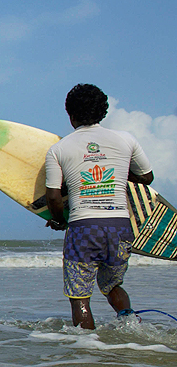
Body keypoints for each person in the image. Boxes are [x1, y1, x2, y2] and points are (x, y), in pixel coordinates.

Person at [44, 84, 154, 329]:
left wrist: (60, 220)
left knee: (80, 297)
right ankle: (130, 324)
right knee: (112, 285)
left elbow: (53, 196)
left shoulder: (59, 149)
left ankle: (88, 351)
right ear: (103, 112)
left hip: (84, 227)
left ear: (70, 115)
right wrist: (120, 172)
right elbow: (147, 177)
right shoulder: (126, 139)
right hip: (120, 227)